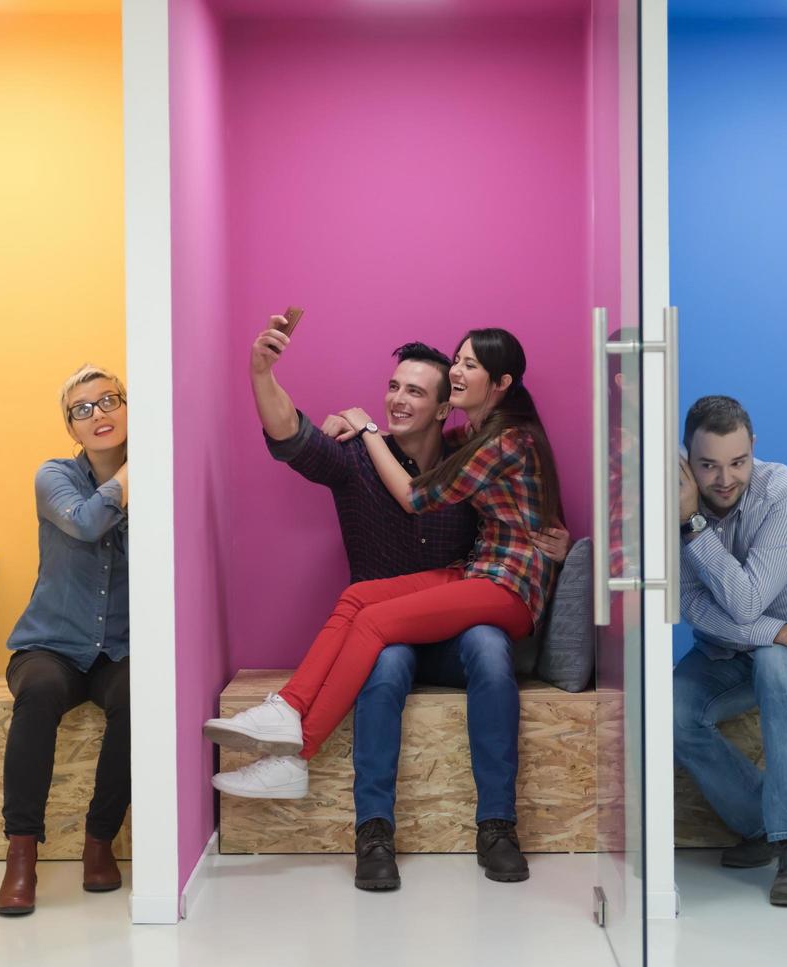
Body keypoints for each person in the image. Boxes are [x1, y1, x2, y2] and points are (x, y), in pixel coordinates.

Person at [206, 324, 564, 885]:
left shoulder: (480, 446)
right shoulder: (359, 459)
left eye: (418, 391)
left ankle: (496, 826)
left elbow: (423, 498)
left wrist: (368, 428)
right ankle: (368, 827)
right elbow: (290, 434)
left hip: (488, 599)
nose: (399, 399)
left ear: (448, 404)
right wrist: (261, 371)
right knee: (366, 613)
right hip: (449, 596)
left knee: (475, 647)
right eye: (393, 387)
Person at [673, 395, 787, 908]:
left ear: (754, 448)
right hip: (728, 652)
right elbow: (693, 606)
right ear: (687, 458)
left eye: (737, 462)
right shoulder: (672, 498)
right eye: (708, 465)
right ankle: (763, 822)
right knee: (667, 711)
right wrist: (785, 632)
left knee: (777, 663)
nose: (724, 479)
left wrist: (692, 526)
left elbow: (747, 600)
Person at [0, 365, 131, 917]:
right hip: (50, 643)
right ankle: (20, 856)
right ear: (71, 429)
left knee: (138, 698)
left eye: (109, 401)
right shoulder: (54, 476)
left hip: (119, 649)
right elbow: (83, 522)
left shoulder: (160, 477)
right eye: (82, 409)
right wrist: (132, 472)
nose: (98, 414)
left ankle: (99, 841)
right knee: (40, 694)